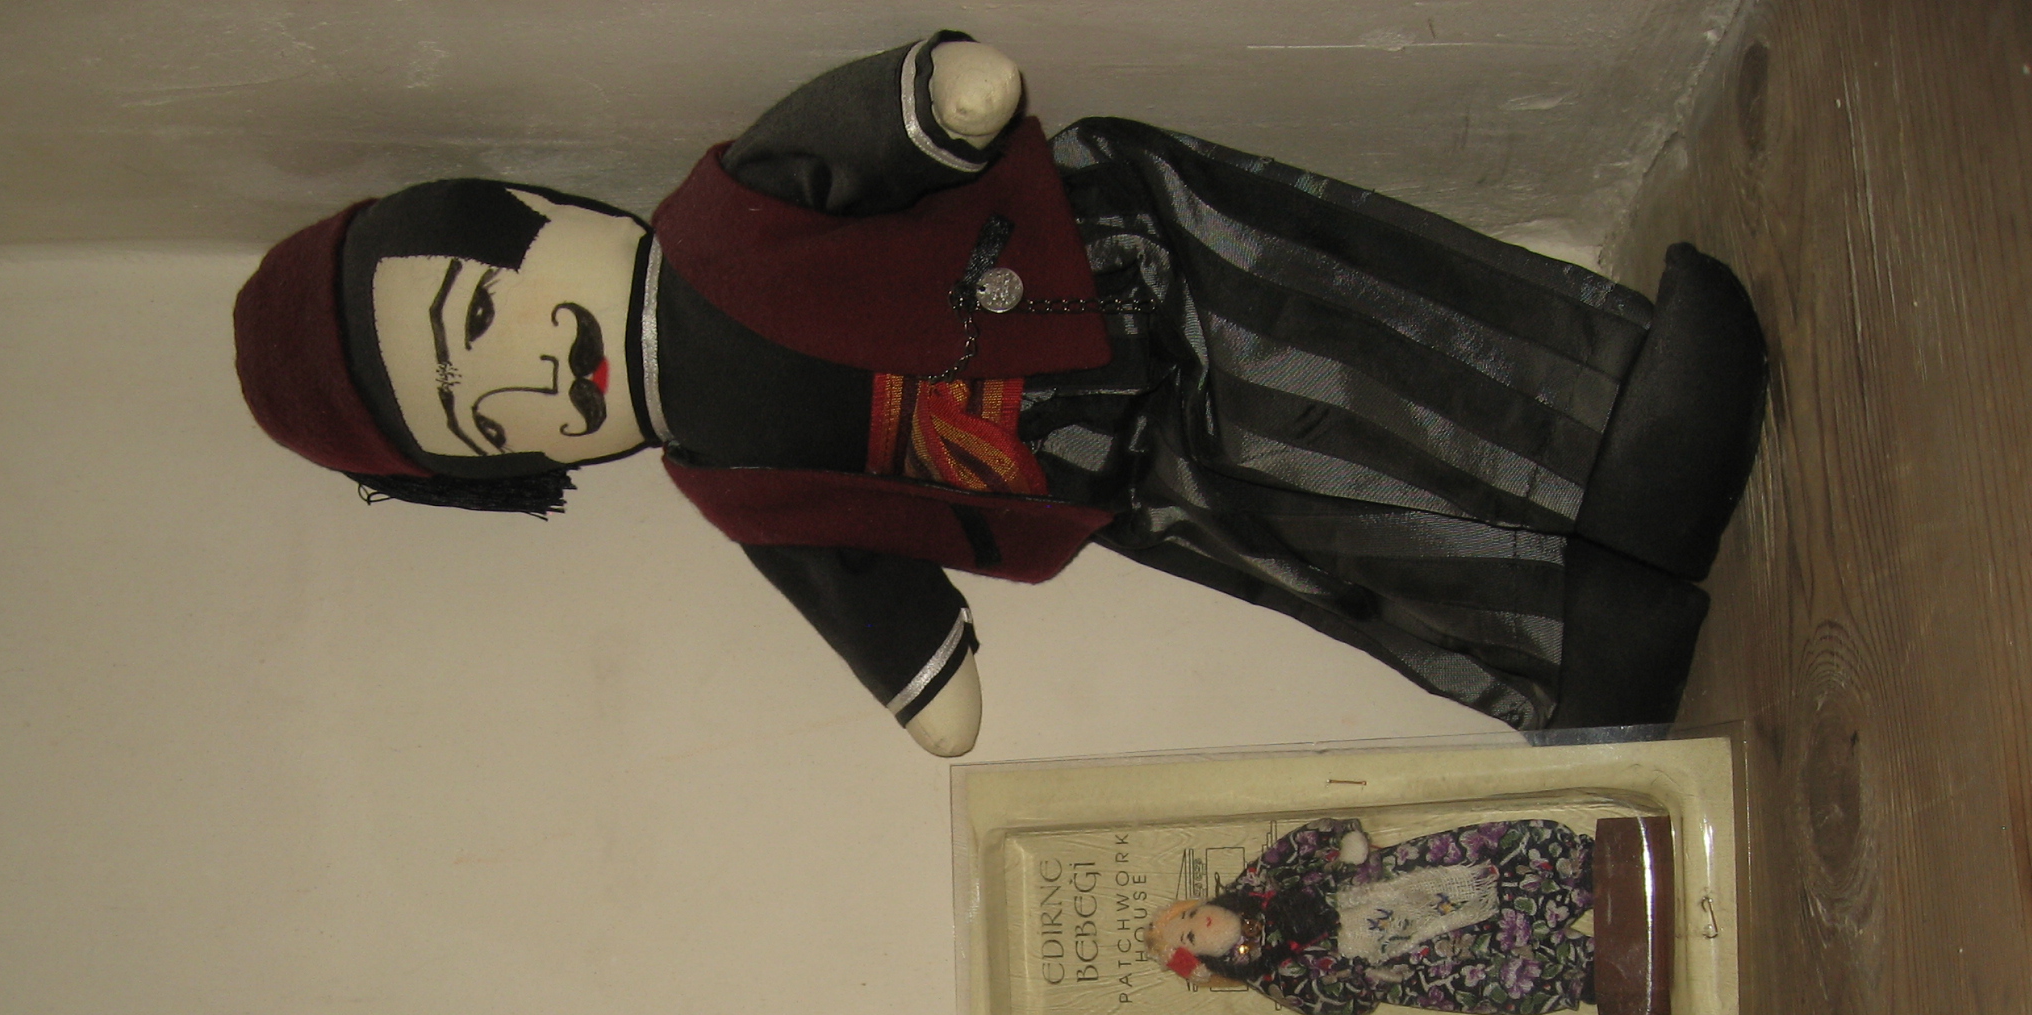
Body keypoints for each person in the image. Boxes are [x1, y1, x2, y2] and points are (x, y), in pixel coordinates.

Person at [231, 34, 1768, 758]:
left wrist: (934, 101)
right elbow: (849, 577)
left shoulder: (727, 211)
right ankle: (1572, 646)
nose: (527, 375)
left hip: (1142, 270)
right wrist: (923, 686)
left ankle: (1616, 425)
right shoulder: (727, 482)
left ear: (524, 213)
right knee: (1321, 545)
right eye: (487, 420)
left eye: (481, 314)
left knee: (1361, 331)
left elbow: (862, 134)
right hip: (1112, 471)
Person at [1144, 818, 1594, 1015]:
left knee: (1474, 867)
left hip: (1388, 881)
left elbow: (1299, 845)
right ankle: (1580, 969)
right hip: (1404, 958)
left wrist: (1342, 844)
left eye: (1191, 914)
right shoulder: (1272, 974)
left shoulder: (1256, 885)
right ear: (1202, 960)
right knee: (1487, 968)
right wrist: (1360, 978)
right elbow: (1336, 1003)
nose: (1201, 923)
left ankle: (1571, 868)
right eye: (1190, 935)